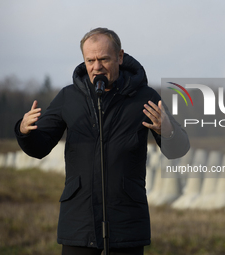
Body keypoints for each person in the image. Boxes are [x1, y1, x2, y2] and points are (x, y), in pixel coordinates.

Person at [15, 27, 190, 255]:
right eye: (90, 60)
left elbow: (178, 149)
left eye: (104, 59)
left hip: (126, 226)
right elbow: (39, 148)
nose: (96, 67)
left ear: (119, 57)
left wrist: (167, 131)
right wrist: (24, 131)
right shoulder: (68, 98)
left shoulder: (145, 98)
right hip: (79, 226)